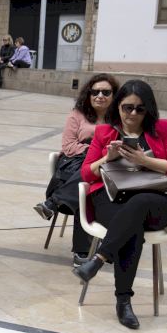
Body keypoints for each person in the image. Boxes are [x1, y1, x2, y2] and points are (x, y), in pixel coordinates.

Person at [74, 80, 167, 329]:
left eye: (140, 109)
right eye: (127, 107)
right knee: (132, 229)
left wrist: (144, 160)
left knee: (138, 204)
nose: (132, 114)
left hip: (155, 201)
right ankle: (123, 301)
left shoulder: (162, 130)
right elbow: (86, 174)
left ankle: (99, 258)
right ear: (117, 106)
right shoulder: (104, 133)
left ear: (148, 110)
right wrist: (108, 158)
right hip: (112, 198)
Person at [34, 74, 120, 265]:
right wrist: (94, 151)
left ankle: (53, 202)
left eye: (106, 92)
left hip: (108, 169)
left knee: (88, 187)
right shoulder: (77, 114)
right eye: (95, 92)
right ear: (88, 94)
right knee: (87, 186)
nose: (100, 96)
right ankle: (83, 251)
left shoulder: (120, 118)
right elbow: (68, 146)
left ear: (114, 95)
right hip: (75, 165)